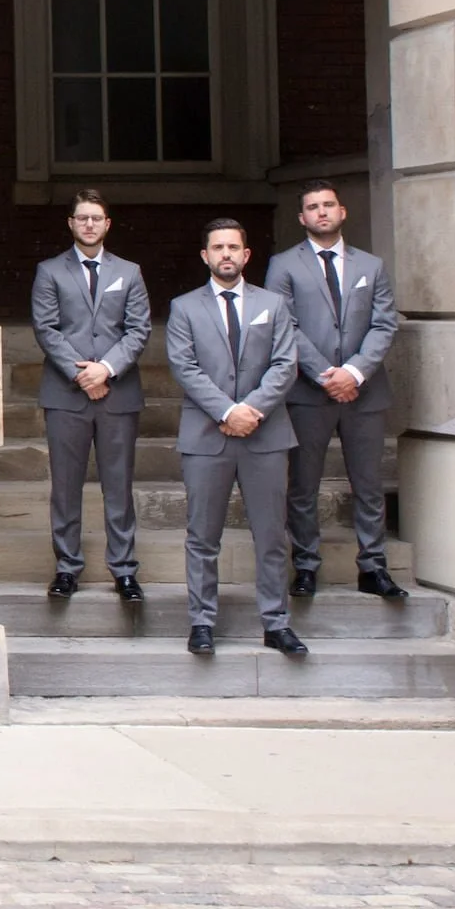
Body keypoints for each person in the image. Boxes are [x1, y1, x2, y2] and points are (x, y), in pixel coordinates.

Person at [164, 218, 306, 659]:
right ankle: (202, 622)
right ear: (204, 256)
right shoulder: (184, 307)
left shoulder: (274, 304)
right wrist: (227, 411)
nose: (226, 254)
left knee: (271, 534)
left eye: (234, 247)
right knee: (203, 536)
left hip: (265, 435)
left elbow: (286, 363)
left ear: (247, 255)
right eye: (217, 247)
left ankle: (276, 623)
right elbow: (184, 367)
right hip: (208, 435)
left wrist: (252, 411)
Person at [265, 181, 408, 601]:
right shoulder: (283, 265)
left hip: (364, 393)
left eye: (328, 205)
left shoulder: (371, 265)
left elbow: (384, 323)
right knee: (303, 485)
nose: (321, 212)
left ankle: (373, 567)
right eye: (313, 207)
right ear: (302, 218)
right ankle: (306, 565)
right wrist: (327, 373)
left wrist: (356, 373)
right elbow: (283, 325)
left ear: (342, 212)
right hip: (309, 392)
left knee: (368, 484)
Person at [28, 188, 152, 602]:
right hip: (67, 394)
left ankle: (124, 570)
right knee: (66, 486)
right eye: (82, 218)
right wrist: (82, 374)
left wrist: (106, 369)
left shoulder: (129, 272)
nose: (89, 224)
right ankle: (67, 568)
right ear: (71, 223)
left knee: (118, 485)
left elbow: (139, 330)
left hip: (118, 393)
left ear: (107, 224)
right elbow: (46, 328)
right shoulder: (50, 271)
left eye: (96, 218)